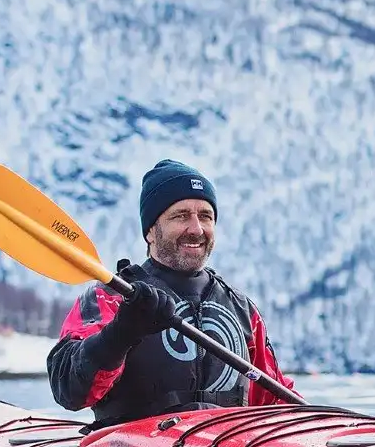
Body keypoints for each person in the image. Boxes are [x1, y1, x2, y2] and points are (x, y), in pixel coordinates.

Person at [47, 159, 295, 428]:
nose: (197, 229)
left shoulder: (241, 309)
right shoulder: (111, 298)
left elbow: (276, 403)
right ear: (151, 231)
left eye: (205, 216)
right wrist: (120, 333)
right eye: (181, 215)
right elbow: (69, 391)